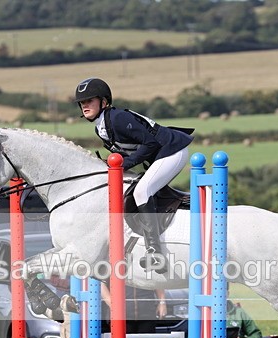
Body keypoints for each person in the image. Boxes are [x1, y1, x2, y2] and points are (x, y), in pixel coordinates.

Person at [74, 77, 193, 274]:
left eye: (90, 101)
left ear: (104, 102)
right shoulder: (101, 127)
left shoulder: (118, 118)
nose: (85, 106)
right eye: (82, 103)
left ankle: (155, 252)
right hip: (158, 156)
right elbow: (126, 151)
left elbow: (150, 143)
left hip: (172, 151)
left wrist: (124, 165)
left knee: (142, 192)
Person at [101, 283, 167, 335]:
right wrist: (112, 305)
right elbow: (102, 284)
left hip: (146, 314)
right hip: (120, 316)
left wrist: (162, 302)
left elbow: (157, 280)